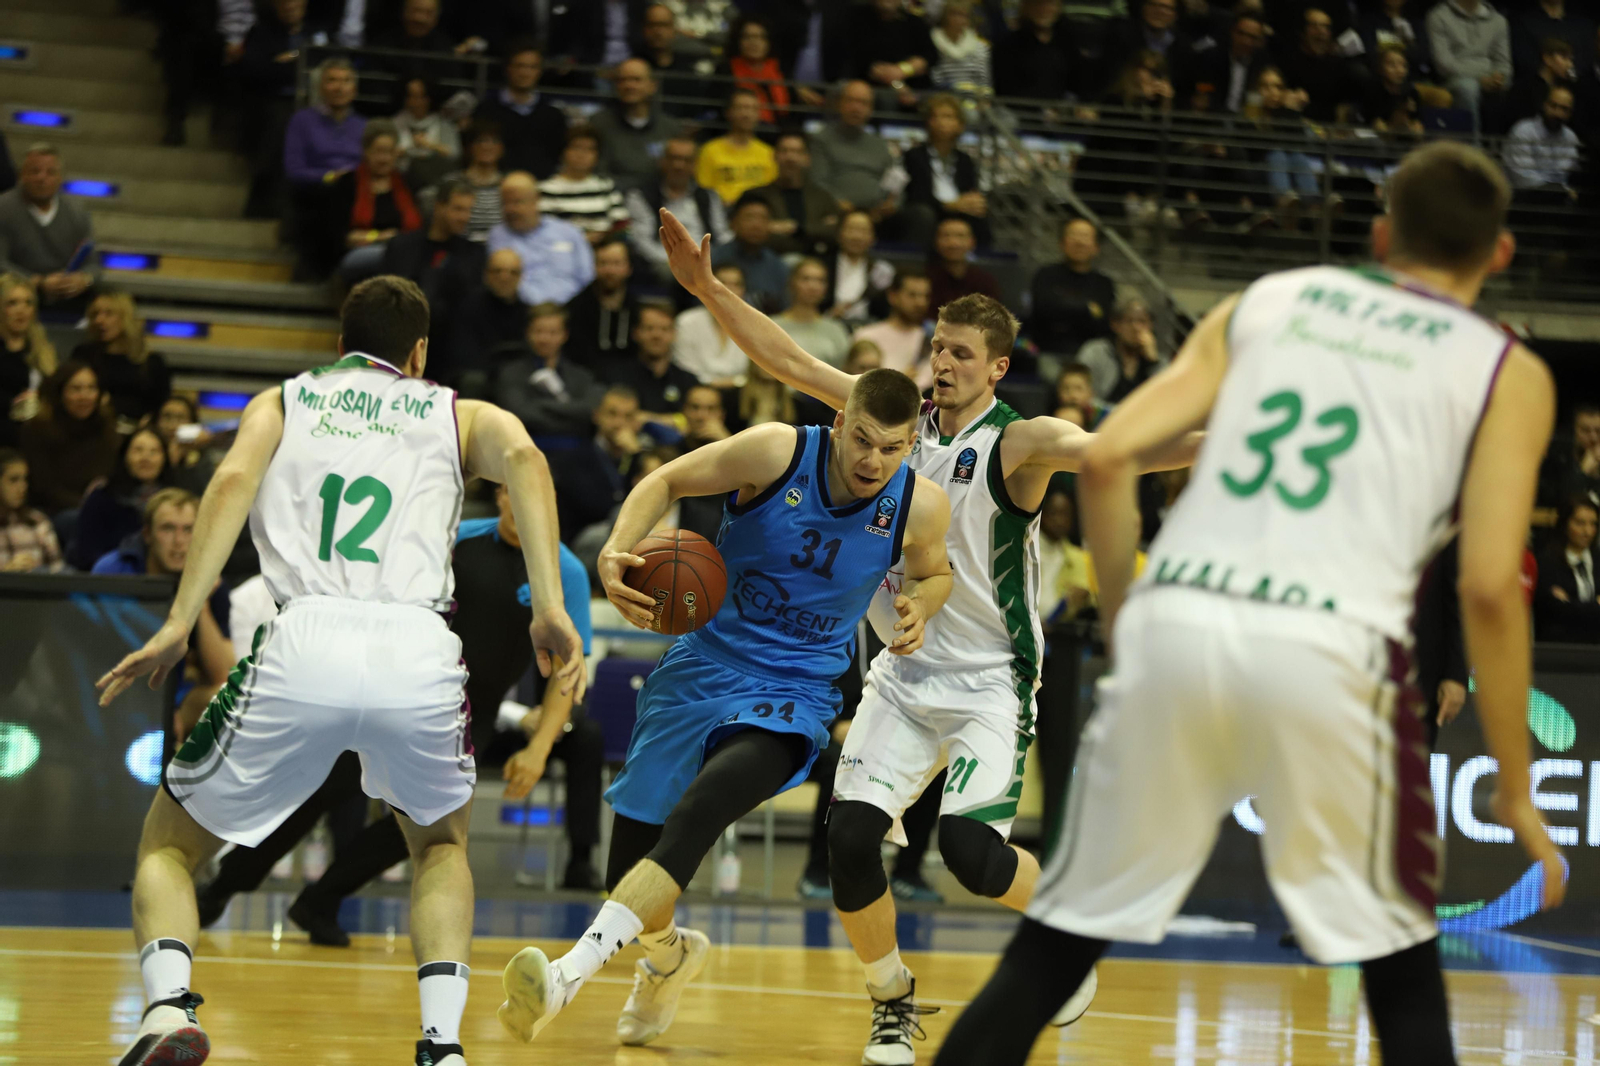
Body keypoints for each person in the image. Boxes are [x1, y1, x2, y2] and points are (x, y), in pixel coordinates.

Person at [934, 140, 1568, 1065]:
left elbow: (1109, 460)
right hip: (1329, 650)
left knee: (1050, 951)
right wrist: (1514, 785)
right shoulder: (1509, 370)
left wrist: (1127, 625)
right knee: (1399, 970)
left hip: (1178, 627)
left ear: (1382, 233)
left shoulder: (1271, 301)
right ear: (1500, 254)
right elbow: (1485, 589)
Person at [656, 204, 1196, 1064]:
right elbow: (785, 357)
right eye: (937, 348)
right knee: (848, 841)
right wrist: (709, 290)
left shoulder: (1020, 441)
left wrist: (1236, 440)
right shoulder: (891, 424)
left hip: (989, 677)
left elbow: (1128, 451)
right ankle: (891, 1002)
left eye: (960, 355)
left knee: (973, 854)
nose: (940, 364)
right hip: (903, 677)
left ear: (999, 368)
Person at [96, 276, 586, 1066]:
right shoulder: (453, 410)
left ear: (338, 344)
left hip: (307, 638)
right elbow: (527, 458)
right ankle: (442, 1045)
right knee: (438, 847)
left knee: (169, 847)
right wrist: (550, 605)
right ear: (418, 352)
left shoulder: (286, 402)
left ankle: (165, 1010)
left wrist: (180, 621)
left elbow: (228, 483)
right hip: (417, 647)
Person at [495, 362, 954, 1053]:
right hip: (701, 666)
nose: (873, 460)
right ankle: (669, 954)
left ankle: (567, 975)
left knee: (701, 810)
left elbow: (934, 568)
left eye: (892, 448)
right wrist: (619, 550)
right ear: (839, 424)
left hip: (796, 690)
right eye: (862, 440)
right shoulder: (775, 451)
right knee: (638, 856)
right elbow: (667, 479)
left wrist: (921, 602)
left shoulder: (919, 505)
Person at [380, 178, 485, 379]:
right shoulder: (402, 247)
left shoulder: (473, 254)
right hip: (403, 343)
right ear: (439, 207)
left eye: (468, 211)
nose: (464, 217)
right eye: (458, 209)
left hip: (452, 350)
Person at [0, 144, 96, 316]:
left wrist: (83, 280)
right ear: (22, 175)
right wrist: (37, 282)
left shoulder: (77, 212)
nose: (42, 178)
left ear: (60, 178)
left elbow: (94, 265)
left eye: (50, 172)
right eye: (35, 171)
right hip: (16, 295)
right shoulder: (3, 209)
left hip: (67, 295)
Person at [324, 121, 423, 285]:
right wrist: (380, 237)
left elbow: (416, 233)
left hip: (401, 254)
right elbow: (341, 236)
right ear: (366, 152)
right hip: (355, 255)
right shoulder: (347, 184)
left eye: (389, 152)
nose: (384, 159)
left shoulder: (407, 184)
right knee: (395, 258)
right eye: (378, 152)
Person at [625, 136, 730, 285]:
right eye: (674, 158)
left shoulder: (708, 196)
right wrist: (677, 263)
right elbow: (642, 242)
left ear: (695, 165)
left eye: (686, 160)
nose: (679, 165)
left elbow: (721, 236)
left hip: (707, 261)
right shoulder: (641, 196)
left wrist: (705, 261)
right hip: (663, 262)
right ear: (662, 161)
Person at [20, 360, 118, 516]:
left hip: (99, 509)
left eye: (91, 388)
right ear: (60, 393)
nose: (84, 396)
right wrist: (86, 506)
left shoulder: (106, 428)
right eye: (76, 389)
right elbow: (43, 487)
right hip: (55, 511)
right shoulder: (37, 430)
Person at [69, 426, 171, 571]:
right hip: (113, 581)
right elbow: (87, 554)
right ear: (125, 456)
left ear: (165, 458)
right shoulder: (102, 498)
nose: (146, 457)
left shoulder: (177, 501)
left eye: (154, 451)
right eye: (138, 450)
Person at [488, 173, 596, 307]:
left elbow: (588, 277)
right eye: (505, 203)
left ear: (535, 200)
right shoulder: (498, 236)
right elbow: (498, 283)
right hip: (519, 311)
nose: (511, 209)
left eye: (517, 202)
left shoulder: (568, 233)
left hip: (571, 312)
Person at [494, 303, 601, 437]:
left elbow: (588, 412)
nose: (544, 339)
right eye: (538, 331)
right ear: (528, 333)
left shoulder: (581, 375)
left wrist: (541, 404)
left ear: (565, 335)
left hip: (575, 451)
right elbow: (520, 414)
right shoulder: (511, 373)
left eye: (553, 332)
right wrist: (570, 414)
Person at [1029, 219, 1117, 379]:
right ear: (1061, 243)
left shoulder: (1104, 284)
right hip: (1050, 351)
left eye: (1085, 236)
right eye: (1073, 235)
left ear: (1096, 247)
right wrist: (1087, 309)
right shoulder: (1045, 275)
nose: (1079, 242)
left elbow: (1103, 322)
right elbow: (1043, 312)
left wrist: (1063, 309)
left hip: (1092, 354)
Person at [69, 291, 172, 429]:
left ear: (125, 318)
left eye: (109, 314)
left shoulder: (150, 362)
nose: (99, 320)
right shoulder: (83, 355)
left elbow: (161, 405)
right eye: (95, 314)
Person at [900, 95, 987, 250]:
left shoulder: (964, 160)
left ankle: (980, 263)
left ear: (960, 125)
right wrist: (950, 205)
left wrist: (973, 202)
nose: (941, 122)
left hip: (959, 210)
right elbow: (916, 196)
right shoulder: (914, 155)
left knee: (979, 213)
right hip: (929, 210)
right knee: (923, 214)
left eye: (948, 117)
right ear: (928, 122)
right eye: (935, 117)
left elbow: (970, 190)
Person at [473, 41, 568, 181]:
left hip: (541, 188)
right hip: (494, 187)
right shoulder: (486, 111)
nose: (525, 73)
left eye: (532, 67)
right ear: (508, 68)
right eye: (519, 66)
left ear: (540, 71)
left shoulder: (553, 115)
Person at [591, 59, 688, 195]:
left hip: (658, 204)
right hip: (612, 200)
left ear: (653, 86)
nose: (629, 85)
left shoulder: (671, 128)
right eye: (622, 80)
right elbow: (597, 174)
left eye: (636, 80)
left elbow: (677, 177)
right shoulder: (598, 124)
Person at [809, 82, 898, 224]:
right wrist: (837, 202)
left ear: (870, 109)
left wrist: (890, 203)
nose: (856, 108)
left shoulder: (879, 145)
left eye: (863, 103)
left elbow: (893, 181)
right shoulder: (823, 139)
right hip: (837, 212)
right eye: (851, 101)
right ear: (839, 104)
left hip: (876, 215)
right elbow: (818, 182)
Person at [744, 131, 841, 257]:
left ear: (807, 159)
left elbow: (834, 232)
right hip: (768, 259)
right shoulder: (756, 196)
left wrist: (795, 228)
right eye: (784, 151)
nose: (790, 157)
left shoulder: (823, 197)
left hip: (815, 263)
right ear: (774, 156)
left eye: (797, 152)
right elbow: (747, 231)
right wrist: (816, 228)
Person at [448, 249, 528, 397]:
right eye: (497, 271)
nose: (504, 277)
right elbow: (464, 356)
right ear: (486, 275)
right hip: (483, 377)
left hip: (518, 379)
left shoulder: (528, 313)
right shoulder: (467, 307)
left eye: (512, 272)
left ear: (521, 277)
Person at [1427, 0, 1512, 130]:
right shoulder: (1438, 16)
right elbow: (1443, 65)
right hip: (1453, 79)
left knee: (1520, 88)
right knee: (1468, 87)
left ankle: (1507, 148)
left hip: (1491, 77)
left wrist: (1499, 77)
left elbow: (1503, 62)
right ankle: (1473, 147)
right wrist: (1480, 79)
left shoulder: (1498, 20)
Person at [538, 126, 629, 245]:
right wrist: (581, 239)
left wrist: (603, 238)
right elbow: (544, 231)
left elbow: (622, 227)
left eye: (590, 149)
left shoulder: (606, 186)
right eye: (577, 147)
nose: (582, 155)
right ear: (563, 151)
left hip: (603, 251)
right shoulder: (547, 189)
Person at [564, 239, 640, 370]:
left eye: (616, 263)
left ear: (629, 268)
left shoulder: (638, 310)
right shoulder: (575, 308)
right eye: (603, 263)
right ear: (594, 266)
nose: (609, 270)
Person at [0, 272, 56, 447]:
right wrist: (14, 403)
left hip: (36, 436)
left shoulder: (43, 349)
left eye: (28, 303)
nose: (21, 310)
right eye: (12, 303)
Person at [1075, 296, 1167, 403]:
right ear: (1115, 325)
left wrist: (1153, 362)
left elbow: (1167, 400)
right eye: (1129, 321)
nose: (1136, 328)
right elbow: (1078, 392)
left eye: (1142, 321)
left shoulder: (1159, 361)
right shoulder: (1094, 352)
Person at [617, 301, 701, 418]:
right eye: (649, 328)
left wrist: (646, 418)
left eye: (664, 329)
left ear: (674, 334)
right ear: (635, 333)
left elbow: (697, 421)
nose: (656, 335)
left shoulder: (688, 382)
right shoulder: (617, 377)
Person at [696, 89, 778, 208]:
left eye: (752, 109)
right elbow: (704, 191)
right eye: (741, 108)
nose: (746, 114)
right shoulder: (709, 150)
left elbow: (772, 193)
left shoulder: (768, 153)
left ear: (758, 114)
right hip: (721, 212)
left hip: (759, 214)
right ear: (729, 112)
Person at [849, 0, 937, 108]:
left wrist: (902, 70)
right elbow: (864, 62)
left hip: (917, 92)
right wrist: (897, 85)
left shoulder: (915, 22)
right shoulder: (858, 20)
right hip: (873, 95)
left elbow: (930, 56)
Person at [1535, 496, 1600, 642]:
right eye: (1580, 523)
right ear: (1565, 523)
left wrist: (1570, 603)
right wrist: (1595, 605)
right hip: (1560, 646)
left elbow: (1566, 608)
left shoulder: (1597, 560)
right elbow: (1556, 611)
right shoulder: (1548, 561)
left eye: (1593, 524)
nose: (1587, 531)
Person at [673, 264, 750, 387]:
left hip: (742, 394)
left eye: (736, 284)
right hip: (695, 391)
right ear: (707, 286)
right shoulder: (687, 322)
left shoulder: (753, 325)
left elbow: (755, 372)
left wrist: (738, 382)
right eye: (722, 283)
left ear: (744, 291)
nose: (728, 289)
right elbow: (685, 369)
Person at [853, 270, 932, 386]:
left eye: (925, 296)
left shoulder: (933, 339)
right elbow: (859, 387)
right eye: (912, 295)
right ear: (892, 296)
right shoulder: (866, 336)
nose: (921, 302)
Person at [991, 0, 1080, 102]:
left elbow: (1077, 85)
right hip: (1021, 113)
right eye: (1038, 4)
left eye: (1050, 4)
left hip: (1062, 113)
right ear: (1026, 7)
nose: (1044, 9)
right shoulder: (1007, 46)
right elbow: (1006, 92)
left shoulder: (1067, 44)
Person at [710, 197, 787, 312]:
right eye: (749, 217)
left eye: (763, 218)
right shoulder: (712, 259)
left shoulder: (777, 266)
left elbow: (784, 310)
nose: (756, 225)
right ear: (733, 223)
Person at [1185, 11, 1269, 113]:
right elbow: (1204, 89)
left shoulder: (1262, 65)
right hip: (1214, 118)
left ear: (1260, 41)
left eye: (1252, 37)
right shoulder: (1211, 57)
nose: (1246, 41)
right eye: (1241, 34)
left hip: (1246, 123)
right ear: (1232, 32)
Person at [775, 257, 852, 367]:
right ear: (792, 283)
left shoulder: (836, 330)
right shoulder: (774, 325)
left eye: (820, 280)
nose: (813, 286)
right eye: (806, 279)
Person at [825, 209, 895, 327]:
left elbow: (884, 311)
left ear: (873, 238)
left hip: (867, 327)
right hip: (829, 325)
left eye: (863, 231)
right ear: (839, 234)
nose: (857, 237)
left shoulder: (881, 270)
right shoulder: (823, 266)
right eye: (851, 229)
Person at [1503, 85, 1581, 191]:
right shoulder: (1523, 131)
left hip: (1558, 198)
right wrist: (1560, 190)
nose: (1557, 113)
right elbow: (1524, 178)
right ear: (1544, 105)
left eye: (1564, 109)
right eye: (1553, 106)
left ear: (1570, 113)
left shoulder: (1570, 137)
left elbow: (1567, 174)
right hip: (1523, 197)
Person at [393, 78, 461, 193]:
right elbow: (387, 154)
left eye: (422, 97)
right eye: (412, 96)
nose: (417, 102)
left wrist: (429, 145)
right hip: (401, 181)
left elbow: (454, 154)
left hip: (437, 183)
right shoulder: (395, 123)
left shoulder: (444, 124)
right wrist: (409, 148)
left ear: (430, 98)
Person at [0, 448, 62, 571]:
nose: (22, 487)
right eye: (13, 480)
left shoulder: (37, 520)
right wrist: (6, 574)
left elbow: (58, 569)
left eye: (25, 479)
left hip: (39, 587)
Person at [443, 122, 506, 242]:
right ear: (470, 146)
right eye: (480, 141)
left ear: (502, 148)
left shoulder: (509, 186)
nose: (487, 146)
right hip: (460, 250)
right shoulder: (451, 184)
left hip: (502, 252)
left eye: (494, 141)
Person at [724, 14, 789, 123]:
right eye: (747, 37)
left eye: (761, 37)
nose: (754, 43)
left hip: (777, 132)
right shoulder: (726, 69)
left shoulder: (781, 68)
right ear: (738, 41)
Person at [926, 217, 1000, 312]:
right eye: (946, 236)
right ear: (936, 241)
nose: (953, 243)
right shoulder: (925, 278)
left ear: (972, 242)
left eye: (960, 236)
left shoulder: (985, 281)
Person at [929, 0, 992, 97]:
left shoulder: (980, 46)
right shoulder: (932, 41)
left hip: (974, 99)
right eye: (954, 14)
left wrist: (984, 99)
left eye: (964, 15)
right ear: (945, 16)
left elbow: (984, 80)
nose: (958, 19)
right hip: (942, 98)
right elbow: (934, 76)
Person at [679, 384, 731, 450]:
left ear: (722, 415)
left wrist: (725, 441)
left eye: (711, 408)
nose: (701, 416)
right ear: (684, 411)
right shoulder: (669, 448)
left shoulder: (732, 445)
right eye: (695, 407)